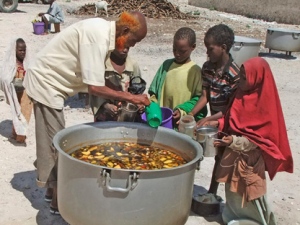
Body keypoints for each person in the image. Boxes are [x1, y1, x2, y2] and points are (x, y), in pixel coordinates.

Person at [23, 11, 150, 215]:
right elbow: (94, 87)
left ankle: (50, 192)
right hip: (46, 84)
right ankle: (58, 203)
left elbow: (98, 77)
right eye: (133, 41)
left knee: (53, 141)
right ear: (125, 31)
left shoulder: (103, 35)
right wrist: (132, 98)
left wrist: (122, 93)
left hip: (54, 86)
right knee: (56, 144)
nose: (131, 46)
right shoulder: (97, 38)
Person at [209, 57, 293, 224]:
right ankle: (232, 218)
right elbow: (231, 119)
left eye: (245, 77)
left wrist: (232, 141)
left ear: (257, 79)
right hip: (232, 154)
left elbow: (258, 141)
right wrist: (217, 123)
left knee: (248, 194)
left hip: (249, 162)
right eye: (240, 74)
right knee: (232, 192)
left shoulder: (264, 105)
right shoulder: (239, 94)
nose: (240, 79)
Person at [190, 24, 240, 195]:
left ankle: (212, 192)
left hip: (229, 121)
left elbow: (231, 109)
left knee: (222, 157)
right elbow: (205, 97)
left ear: (223, 48)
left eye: (210, 49)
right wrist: (190, 115)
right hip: (216, 117)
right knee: (195, 145)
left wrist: (212, 120)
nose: (207, 53)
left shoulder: (235, 74)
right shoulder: (207, 68)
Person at [148, 27, 207, 126]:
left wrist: (182, 110)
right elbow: (154, 92)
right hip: (162, 119)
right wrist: (153, 105)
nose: (177, 54)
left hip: (181, 122)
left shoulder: (195, 71)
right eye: (174, 49)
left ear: (193, 47)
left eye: (182, 51)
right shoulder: (166, 66)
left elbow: (198, 99)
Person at [90, 48, 143, 122]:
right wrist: (105, 105)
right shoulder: (102, 65)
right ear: (112, 45)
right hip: (105, 117)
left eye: (128, 47)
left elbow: (137, 90)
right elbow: (94, 90)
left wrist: (138, 103)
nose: (125, 50)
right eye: (122, 47)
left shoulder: (133, 65)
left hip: (127, 117)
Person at [0, 38, 33, 144]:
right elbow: (4, 77)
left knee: (25, 112)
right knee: (16, 111)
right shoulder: (11, 63)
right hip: (14, 91)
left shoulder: (27, 62)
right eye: (20, 50)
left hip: (25, 91)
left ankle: (20, 136)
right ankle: (15, 133)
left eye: (24, 50)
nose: (23, 52)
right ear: (14, 50)